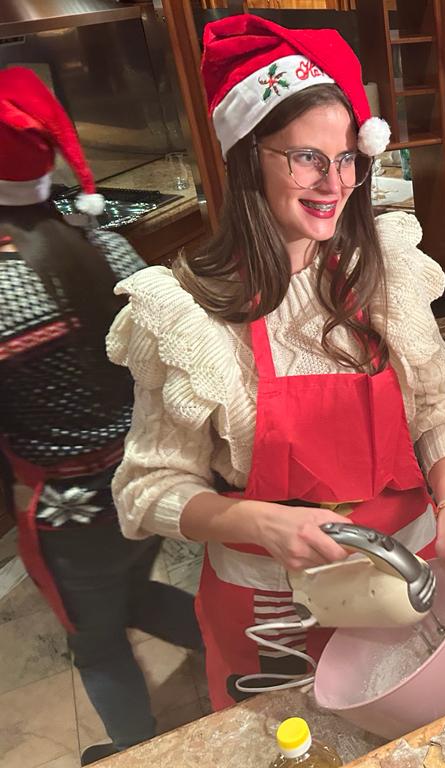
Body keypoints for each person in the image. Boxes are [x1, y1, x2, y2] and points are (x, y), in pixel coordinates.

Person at [107, 15, 445, 711]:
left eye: (348, 158)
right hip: (272, 606)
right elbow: (148, 488)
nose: (335, 182)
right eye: (308, 157)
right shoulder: (192, 314)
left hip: (403, 575)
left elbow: (440, 408)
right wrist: (261, 524)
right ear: (248, 157)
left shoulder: (382, 277)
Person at [0, 68, 202, 766]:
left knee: (94, 640)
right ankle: (246, 651)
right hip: (147, 477)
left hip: (69, 508)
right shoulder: (108, 246)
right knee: (133, 590)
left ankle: (134, 753)